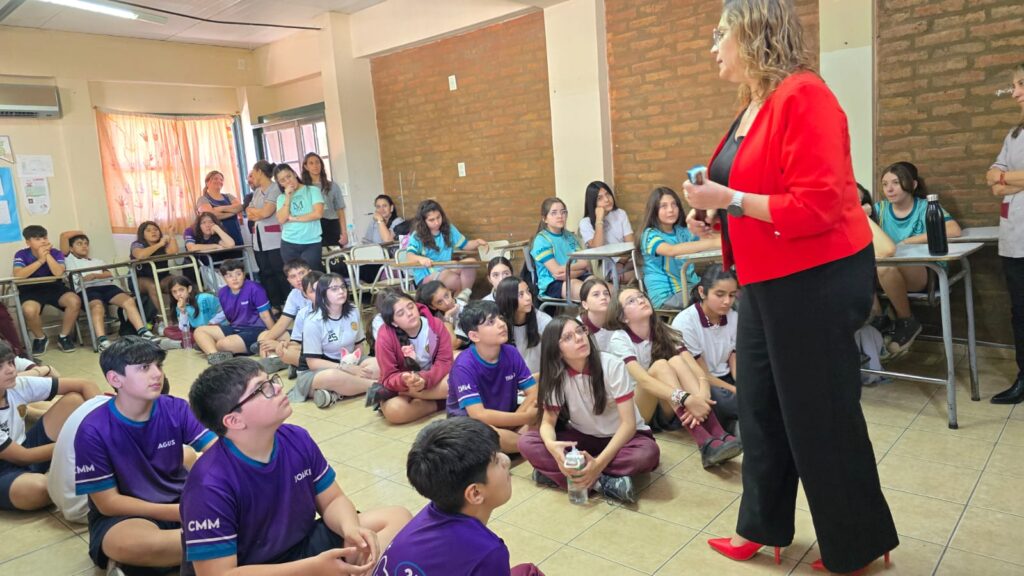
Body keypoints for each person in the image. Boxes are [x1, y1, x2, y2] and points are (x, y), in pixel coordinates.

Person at [682, 2, 897, 571]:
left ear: (751, 34)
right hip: (765, 283)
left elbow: (819, 204)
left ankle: (861, 545)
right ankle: (763, 528)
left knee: (819, 413)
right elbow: (752, 195)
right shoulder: (753, 105)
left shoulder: (804, 95)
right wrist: (715, 216)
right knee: (761, 410)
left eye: (720, 34)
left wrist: (728, 201)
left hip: (815, 280)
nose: (714, 47)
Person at [182, 358, 411, 575]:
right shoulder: (209, 484)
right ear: (234, 421)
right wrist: (313, 569)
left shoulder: (295, 438)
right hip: (256, 568)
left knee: (397, 517)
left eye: (272, 380)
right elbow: (221, 574)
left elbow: (333, 500)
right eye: (263, 389)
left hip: (300, 547)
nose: (278, 388)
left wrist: (350, 529)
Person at [74, 337, 216, 575]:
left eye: (158, 366)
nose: (156, 374)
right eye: (143, 367)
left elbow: (220, 451)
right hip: (128, 515)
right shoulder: (93, 429)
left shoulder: (176, 408)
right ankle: (219, 544)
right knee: (127, 543)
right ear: (114, 379)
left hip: (180, 499)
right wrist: (182, 513)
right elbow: (108, 503)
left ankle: (141, 564)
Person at [373, 418, 544, 576]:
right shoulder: (487, 552)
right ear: (475, 493)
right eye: (496, 461)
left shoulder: (429, 514)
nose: (506, 460)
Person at [517, 317, 659, 504]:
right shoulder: (555, 376)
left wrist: (598, 464)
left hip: (624, 438)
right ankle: (603, 484)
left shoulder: (611, 365)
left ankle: (562, 476)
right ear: (557, 351)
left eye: (580, 331)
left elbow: (629, 424)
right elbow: (547, 423)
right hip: (583, 437)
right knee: (528, 441)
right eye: (568, 337)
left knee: (646, 454)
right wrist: (552, 447)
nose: (579, 338)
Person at [605, 288, 741, 467]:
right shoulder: (619, 339)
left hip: (668, 406)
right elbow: (644, 381)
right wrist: (687, 398)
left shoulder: (665, 329)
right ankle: (704, 441)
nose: (640, 300)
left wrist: (701, 397)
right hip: (637, 410)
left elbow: (698, 371)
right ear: (623, 317)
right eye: (631, 301)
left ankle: (717, 434)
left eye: (641, 296)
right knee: (660, 365)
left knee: (676, 360)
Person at [0, 340, 99, 511]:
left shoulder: (16, 386)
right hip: (6, 469)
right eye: (0, 366)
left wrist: (105, 423)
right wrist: (78, 444)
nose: (10, 370)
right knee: (39, 489)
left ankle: (74, 477)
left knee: (74, 399)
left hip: (27, 447)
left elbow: (85, 384)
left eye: (10, 362)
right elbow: (23, 456)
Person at [873, 162, 961, 354]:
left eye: (896, 182)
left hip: (924, 273)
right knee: (856, 266)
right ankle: (879, 318)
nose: (889, 188)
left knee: (887, 266)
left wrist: (913, 240)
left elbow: (954, 230)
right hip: (886, 274)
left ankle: (906, 320)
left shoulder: (925, 206)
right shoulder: (879, 209)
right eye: (885, 183)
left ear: (912, 185)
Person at [448, 301, 537, 454]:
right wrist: (525, 418)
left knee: (545, 397)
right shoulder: (463, 365)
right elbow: (479, 415)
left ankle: (517, 443)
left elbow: (534, 391)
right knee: (485, 435)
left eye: (500, 318)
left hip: (509, 418)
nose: (502, 324)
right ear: (474, 336)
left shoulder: (510, 352)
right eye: (491, 322)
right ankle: (532, 444)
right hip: (475, 426)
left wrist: (518, 418)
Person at [988, 62, 1024, 404]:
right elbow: (992, 176)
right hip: (1015, 240)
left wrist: (1007, 180)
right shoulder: (1013, 136)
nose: (1015, 93)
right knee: (1020, 312)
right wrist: (1008, 180)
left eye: (1021, 85)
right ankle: (1023, 378)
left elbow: (1002, 179)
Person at [671, 265, 741, 433]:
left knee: (755, 391)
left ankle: (736, 424)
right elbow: (702, 374)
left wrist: (741, 383)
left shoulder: (733, 316)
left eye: (732, 295)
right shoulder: (685, 322)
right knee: (720, 400)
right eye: (720, 294)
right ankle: (736, 423)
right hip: (701, 383)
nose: (727, 301)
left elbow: (734, 356)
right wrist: (735, 390)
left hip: (725, 379)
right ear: (702, 292)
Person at [61, 231, 159, 350]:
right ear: (71, 248)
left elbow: (108, 274)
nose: (84, 246)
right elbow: (64, 236)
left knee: (128, 301)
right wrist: (80, 232)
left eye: (86, 243)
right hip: (87, 289)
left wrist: (94, 276)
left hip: (106, 286)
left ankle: (143, 332)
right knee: (97, 307)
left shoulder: (97, 261)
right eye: (79, 243)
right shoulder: (69, 259)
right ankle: (102, 340)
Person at [297, 274, 379, 409]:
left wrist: (356, 365)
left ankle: (337, 393)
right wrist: (346, 369)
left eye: (343, 287)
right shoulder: (312, 321)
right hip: (317, 371)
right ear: (323, 294)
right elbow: (313, 363)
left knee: (378, 364)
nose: (341, 292)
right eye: (334, 289)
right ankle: (378, 386)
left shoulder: (353, 311)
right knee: (333, 376)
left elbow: (358, 345)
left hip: (349, 363)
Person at [371, 292, 452, 424]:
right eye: (401, 313)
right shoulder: (385, 336)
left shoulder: (434, 326)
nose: (409, 313)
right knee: (395, 411)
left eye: (410, 307)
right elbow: (388, 376)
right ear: (394, 322)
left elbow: (444, 361)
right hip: (407, 385)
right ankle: (443, 402)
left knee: (454, 381)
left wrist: (424, 379)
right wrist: (405, 381)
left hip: (433, 378)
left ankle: (426, 397)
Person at [637, 187, 720, 309]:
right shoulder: (649, 234)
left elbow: (704, 240)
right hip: (667, 295)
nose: (670, 210)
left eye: (674, 205)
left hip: (690, 287)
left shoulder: (682, 231)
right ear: (654, 210)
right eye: (663, 206)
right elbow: (671, 250)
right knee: (717, 297)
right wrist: (715, 243)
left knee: (725, 290)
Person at [13, 225, 82, 354]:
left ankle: (64, 337)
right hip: (30, 290)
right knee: (29, 310)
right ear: (28, 242)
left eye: (44, 238)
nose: (43, 241)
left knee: (74, 301)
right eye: (37, 239)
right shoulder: (21, 254)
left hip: (54, 287)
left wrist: (47, 255)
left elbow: (58, 272)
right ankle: (41, 338)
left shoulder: (55, 252)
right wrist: (40, 260)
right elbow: (18, 275)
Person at [193, 259, 274, 365]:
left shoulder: (255, 288)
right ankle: (215, 356)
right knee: (199, 331)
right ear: (224, 278)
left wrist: (274, 334)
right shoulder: (222, 292)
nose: (234, 279)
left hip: (256, 330)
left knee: (223, 344)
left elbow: (265, 315)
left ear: (244, 274)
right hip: (235, 328)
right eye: (229, 276)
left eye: (238, 274)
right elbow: (226, 315)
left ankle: (212, 347)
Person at [405, 199, 486, 296]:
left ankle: (462, 298)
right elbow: (409, 256)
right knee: (455, 279)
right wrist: (420, 259)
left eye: (438, 217)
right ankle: (461, 300)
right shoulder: (417, 235)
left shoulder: (449, 229)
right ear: (423, 221)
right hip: (426, 275)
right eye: (431, 220)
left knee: (471, 262)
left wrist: (478, 242)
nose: (436, 222)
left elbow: (465, 245)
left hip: (446, 267)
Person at [244, 160, 289, 308]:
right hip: (259, 240)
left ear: (260, 172)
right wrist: (259, 213)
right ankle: (275, 305)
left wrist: (259, 213)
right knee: (266, 273)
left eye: (253, 173)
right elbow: (248, 212)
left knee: (279, 271)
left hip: (274, 239)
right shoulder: (257, 192)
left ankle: (288, 304)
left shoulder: (275, 188)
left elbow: (266, 212)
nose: (251, 177)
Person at [254, 258, 311, 370]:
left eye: (301, 273)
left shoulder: (321, 290)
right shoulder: (294, 294)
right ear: (288, 280)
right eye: (293, 276)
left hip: (320, 337)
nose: (299, 279)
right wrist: (264, 343)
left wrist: (284, 345)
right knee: (264, 336)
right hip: (302, 335)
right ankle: (281, 360)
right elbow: (282, 323)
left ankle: (287, 360)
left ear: (310, 272)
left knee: (282, 345)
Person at [530, 197, 590, 301]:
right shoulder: (542, 239)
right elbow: (557, 272)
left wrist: (577, 271)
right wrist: (581, 268)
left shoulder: (570, 236)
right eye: (554, 213)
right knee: (591, 294)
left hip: (574, 276)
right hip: (552, 283)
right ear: (545, 219)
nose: (560, 216)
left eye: (563, 212)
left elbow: (585, 263)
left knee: (603, 288)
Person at [579, 181, 637, 284]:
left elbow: (630, 245)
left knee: (651, 266)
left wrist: (620, 262)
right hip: (609, 269)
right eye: (600, 198)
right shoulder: (585, 223)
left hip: (627, 262)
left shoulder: (620, 214)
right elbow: (598, 248)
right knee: (646, 274)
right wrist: (599, 219)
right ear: (592, 202)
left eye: (607, 194)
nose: (607, 200)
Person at [494, 277, 552, 376]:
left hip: (539, 378)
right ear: (508, 299)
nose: (528, 297)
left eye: (528, 292)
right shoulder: (497, 324)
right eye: (521, 294)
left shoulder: (543, 321)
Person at [274, 163, 324, 271]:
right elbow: (281, 219)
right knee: (294, 278)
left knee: (312, 277)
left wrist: (294, 218)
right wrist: (288, 197)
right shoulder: (281, 198)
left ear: (295, 174)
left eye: (289, 176)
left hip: (311, 242)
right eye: (283, 180)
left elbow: (317, 214)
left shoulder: (312, 191)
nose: (288, 181)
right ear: (280, 184)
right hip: (289, 243)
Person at [130, 220, 180, 329]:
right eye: (148, 230)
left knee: (178, 282)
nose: (153, 232)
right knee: (152, 286)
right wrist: (160, 244)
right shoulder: (137, 244)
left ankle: (181, 316)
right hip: (140, 279)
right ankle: (163, 321)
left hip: (161, 277)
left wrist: (171, 235)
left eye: (156, 229)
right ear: (142, 234)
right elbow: (141, 255)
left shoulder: (163, 244)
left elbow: (174, 252)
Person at [303, 152, 348, 250]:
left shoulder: (333, 186)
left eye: (317, 162)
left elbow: (340, 211)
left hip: (331, 225)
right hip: (312, 226)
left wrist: (344, 233)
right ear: (306, 167)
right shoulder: (303, 188)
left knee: (335, 258)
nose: (315, 166)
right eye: (311, 163)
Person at [196, 170, 244, 247]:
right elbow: (211, 216)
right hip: (218, 239)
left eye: (221, 180)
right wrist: (233, 211)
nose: (219, 181)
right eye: (215, 178)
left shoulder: (229, 196)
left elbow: (240, 207)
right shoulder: (202, 199)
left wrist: (220, 209)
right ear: (207, 182)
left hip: (236, 235)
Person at [417, 279, 467, 351]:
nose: (447, 302)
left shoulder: (464, 311)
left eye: (446, 295)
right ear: (432, 306)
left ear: (449, 290)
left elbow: (454, 345)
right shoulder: (436, 315)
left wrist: (447, 318)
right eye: (440, 302)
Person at [578, 276, 614, 350]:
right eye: (596, 295)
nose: (603, 297)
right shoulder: (577, 328)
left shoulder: (617, 323)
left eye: (606, 293)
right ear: (585, 304)